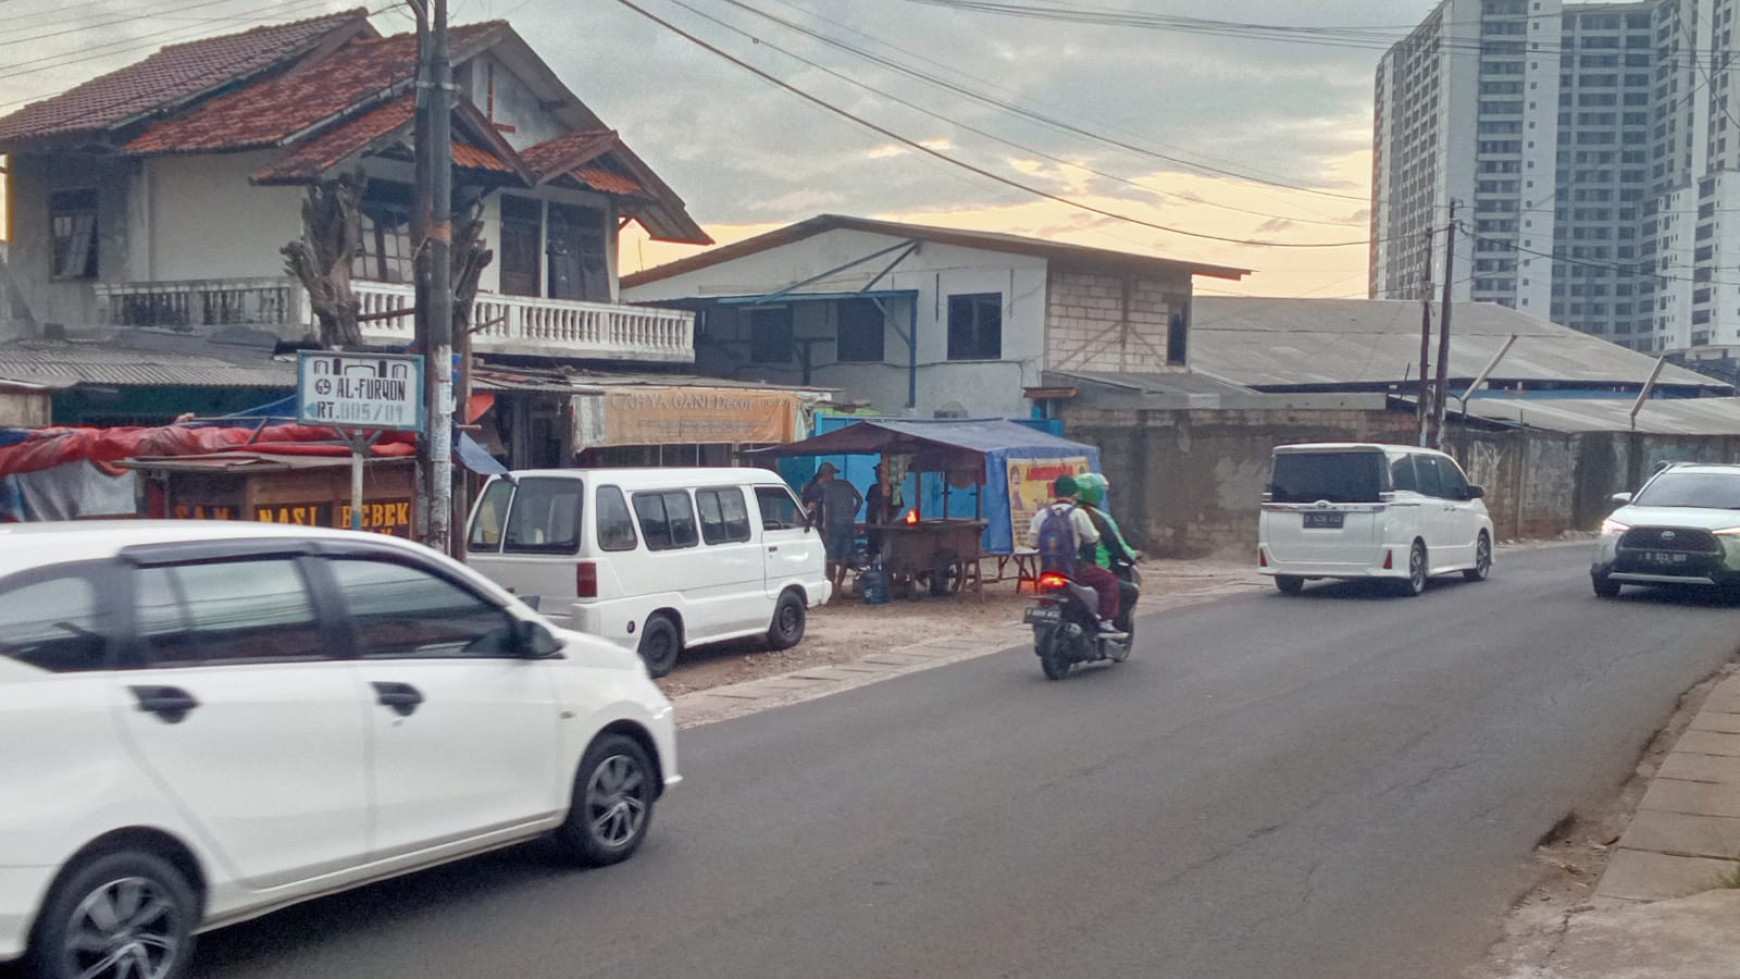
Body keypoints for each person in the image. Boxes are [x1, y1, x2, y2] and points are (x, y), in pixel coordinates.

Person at [1027, 474, 1124, 636]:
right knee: (1109, 581)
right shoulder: (1078, 514)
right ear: (1075, 494)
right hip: (1075, 569)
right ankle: (1105, 622)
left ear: (1054, 493)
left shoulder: (1042, 514)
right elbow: (1092, 538)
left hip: (1048, 570)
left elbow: (1033, 541)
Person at [814, 462, 863, 599]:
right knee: (844, 558)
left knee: (831, 558)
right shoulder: (846, 484)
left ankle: (832, 586)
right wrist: (853, 514)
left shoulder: (828, 489)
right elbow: (859, 500)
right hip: (849, 525)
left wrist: (827, 531)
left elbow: (828, 511)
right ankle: (838, 586)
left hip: (835, 526)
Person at [863, 463, 902, 558]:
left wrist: (890, 520)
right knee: (872, 550)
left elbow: (898, 507)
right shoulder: (873, 488)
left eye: (880, 472)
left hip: (888, 525)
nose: (878, 475)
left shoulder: (895, 489)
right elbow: (869, 507)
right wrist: (867, 522)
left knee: (887, 549)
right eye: (877, 472)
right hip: (873, 524)